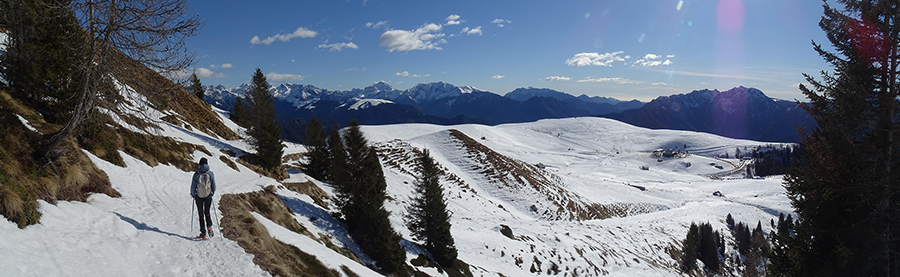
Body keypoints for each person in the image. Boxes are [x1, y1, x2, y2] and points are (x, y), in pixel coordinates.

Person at [191, 157, 217, 239]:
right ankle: (209, 226)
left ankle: (203, 232)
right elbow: (214, 186)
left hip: (198, 196)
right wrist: (211, 193)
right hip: (208, 196)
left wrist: (193, 194)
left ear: (200, 164)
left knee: (200, 214)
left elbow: (193, 186)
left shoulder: (196, 174)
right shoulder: (210, 174)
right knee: (207, 212)